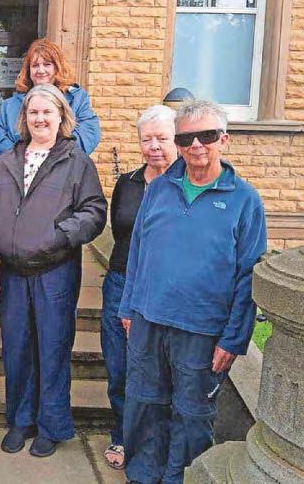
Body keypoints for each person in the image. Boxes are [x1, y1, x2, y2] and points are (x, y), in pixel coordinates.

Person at [118, 100, 267, 483]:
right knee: (145, 406)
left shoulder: (244, 200)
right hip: (149, 321)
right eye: (186, 137)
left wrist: (234, 339)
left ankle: (180, 478)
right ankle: (143, 476)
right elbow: (138, 249)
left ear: (224, 139)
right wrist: (129, 306)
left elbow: (248, 275)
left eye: (207, 135)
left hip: (202, 331)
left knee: (192, 415)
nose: (196, 145)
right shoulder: (160, 187)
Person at [0, 84, 107, 457]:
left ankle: (51, 425)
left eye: (47, 112)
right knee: (17, 347)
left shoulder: (76, 160)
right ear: (25, 118)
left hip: (55, 269)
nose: (40, 118)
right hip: (14, 270)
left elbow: (94, 211)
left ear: (61, 117)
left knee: (52, 346)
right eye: (33, 112)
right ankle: (20, 421)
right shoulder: (7, 160)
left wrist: (60, 236)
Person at [100, 105, 178, 471]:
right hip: (120, 282)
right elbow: (120, 230)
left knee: (157, 369)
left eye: (162, 138)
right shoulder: (127, 182)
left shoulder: (185, 184)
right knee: (119, 366)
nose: (154, 146)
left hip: (165, 289)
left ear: (176, 139)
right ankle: (122, 433)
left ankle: (155, 439)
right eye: (147, 139)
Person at [0, 38, 100, 156]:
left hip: (65, 169)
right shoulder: (9, 106)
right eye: (35, 65)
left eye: (47, 64)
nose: (41, 70)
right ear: (28, 70)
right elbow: (0, 139)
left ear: (57, 68)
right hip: (21, 170)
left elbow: (88, 134)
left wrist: (51, 159)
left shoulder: (78, 99)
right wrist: (27, 160)